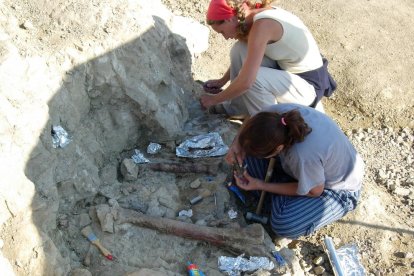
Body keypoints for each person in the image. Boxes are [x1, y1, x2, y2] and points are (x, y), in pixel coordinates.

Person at [226, 103, 364, 238]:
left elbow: (314, 191)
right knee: (244, 158)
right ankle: (283, 194)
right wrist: (236, 146)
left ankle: (280, 197)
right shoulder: (275, 116)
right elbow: (251, 119)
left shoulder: (302, 155)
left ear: (278, 148)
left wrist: (261, 185)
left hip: (336, 188)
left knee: (284, 223)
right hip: (308, 168)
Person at [200, 0, 337, 116]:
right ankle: (237, 107)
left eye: (222, 31)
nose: (225, 37)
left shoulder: (263, 26)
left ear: (230, 18)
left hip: (309, 87)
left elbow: (247, 81)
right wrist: (222, 81)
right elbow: (249, 57)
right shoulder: (255, 16)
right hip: (289, 74)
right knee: (239, 49)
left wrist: (214, 100)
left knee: (255, 79)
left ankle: (267, 126)